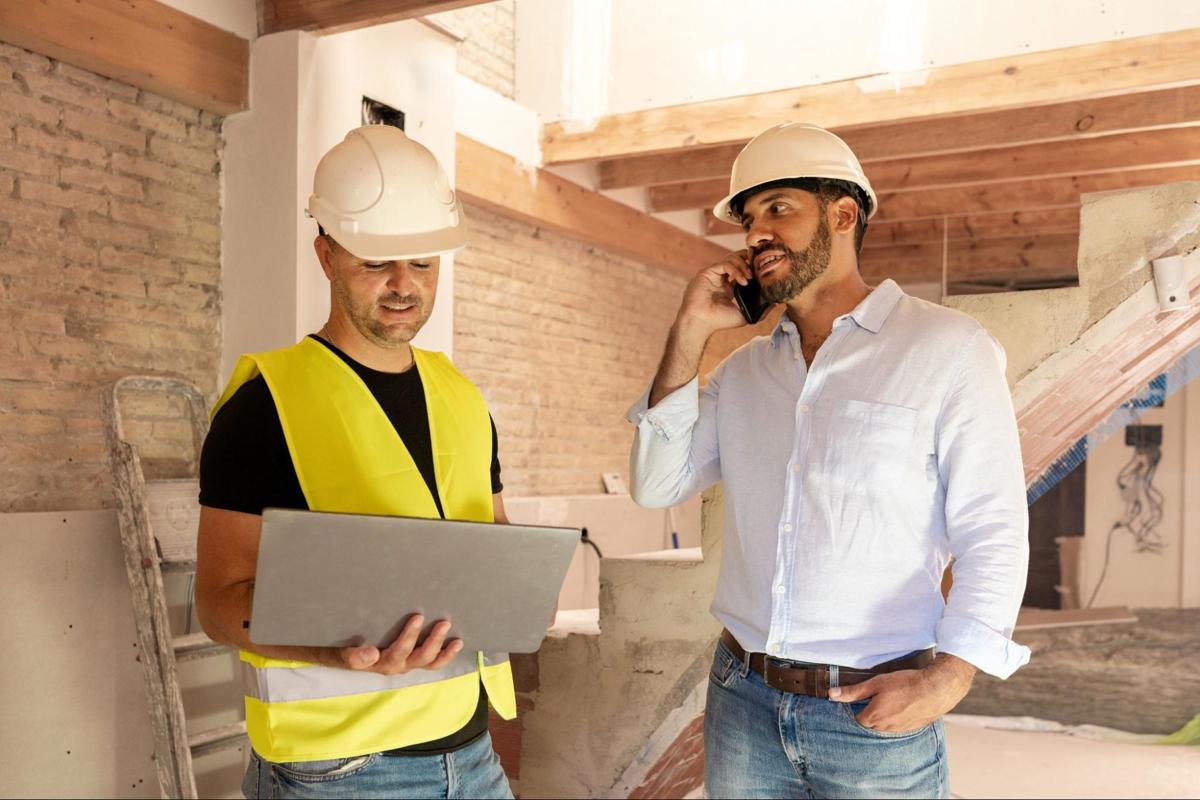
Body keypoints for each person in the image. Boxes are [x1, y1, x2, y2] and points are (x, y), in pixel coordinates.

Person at [626, 123, 1031, 799]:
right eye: (750, 218)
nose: (758, 233)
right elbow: (654, 482)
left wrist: (951, 675)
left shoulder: (948, 349)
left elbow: (992, 524)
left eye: (778, 209)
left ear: (844, 215)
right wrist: (690, 332)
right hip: (743, 701)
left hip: (874, 710)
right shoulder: (746, 372)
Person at [195, 125, 515, 799]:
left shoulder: (461, 397)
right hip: (341, 771)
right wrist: (328, 648)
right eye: (376, 263)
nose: (404, 286)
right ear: (327, 256)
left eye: (423, 263)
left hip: (473, 752)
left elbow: (494, 555)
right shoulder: (265, 407)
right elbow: (219, 604)